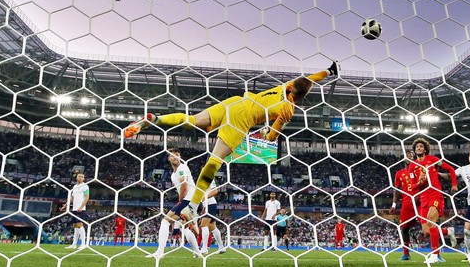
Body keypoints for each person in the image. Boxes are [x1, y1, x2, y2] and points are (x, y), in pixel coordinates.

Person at [124, 62, 338, 219]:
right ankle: (193, 206)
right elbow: (273, 136)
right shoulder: (289, 107)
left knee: (192, 120)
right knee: (214, 162)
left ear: (292, 88)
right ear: (300, 97)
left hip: (236, 102)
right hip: (242, 119)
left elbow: (311, 78)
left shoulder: (286, 86)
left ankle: (155, 118)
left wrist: (328, 71)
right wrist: (265, 134)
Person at [406, 138, 457, 264]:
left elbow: (450, 169)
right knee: (426, 231)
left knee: (430, 220)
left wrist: (454, 184)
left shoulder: (433, 160)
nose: (419, 148)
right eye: (417, 146)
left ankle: (434, 256)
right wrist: (420, 182)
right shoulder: (412, 166)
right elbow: (412, 186)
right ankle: (447, 232)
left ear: (425, 149)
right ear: (414, 150)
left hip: (435, 193)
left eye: (421, 146)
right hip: (424, 197)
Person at [146, 148, 202, 259]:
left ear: (180, 157)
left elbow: (184, 185)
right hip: (193, 201)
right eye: (173, 155)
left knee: (165, 221)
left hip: (188, 200)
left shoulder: (182, 167)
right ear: (169, 158)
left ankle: (160, 252)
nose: (175, 156)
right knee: (184, 227)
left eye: (177, 155)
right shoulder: (172, 175)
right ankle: (198, 253)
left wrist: (181, 200)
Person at [391, 151, 421, 260]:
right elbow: (397, 190)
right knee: (404, 228)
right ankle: (406, 253)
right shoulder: (399, 173)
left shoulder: (419, 171)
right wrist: (394, 205)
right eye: (407, 156)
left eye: (411, 156)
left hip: (419, 202)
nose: (408, 158)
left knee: (428, 227)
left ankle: (436, 253)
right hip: (407, 204)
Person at [64, 172, 90, 250]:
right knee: (75, 226)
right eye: (79, 176)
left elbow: (87, 197)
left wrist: (81, 207)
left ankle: (83, 244)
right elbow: (72, 198)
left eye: (82, 177)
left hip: (81, 209)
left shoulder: (85, 186)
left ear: (84, 178)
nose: (80, 178)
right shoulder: (74, 187)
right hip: (74, 208)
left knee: (79, 225)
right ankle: (74, 244)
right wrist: (65, 205)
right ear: (76, 177)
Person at [199, 181, 226, 254]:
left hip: (210, 204)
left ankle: (204, 248)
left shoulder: (209, 178)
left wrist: (204, 198)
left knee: (203, 225)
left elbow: (215, 191)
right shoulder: (203, 179)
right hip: (207, 205)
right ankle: (221, 247)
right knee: (212, 227)